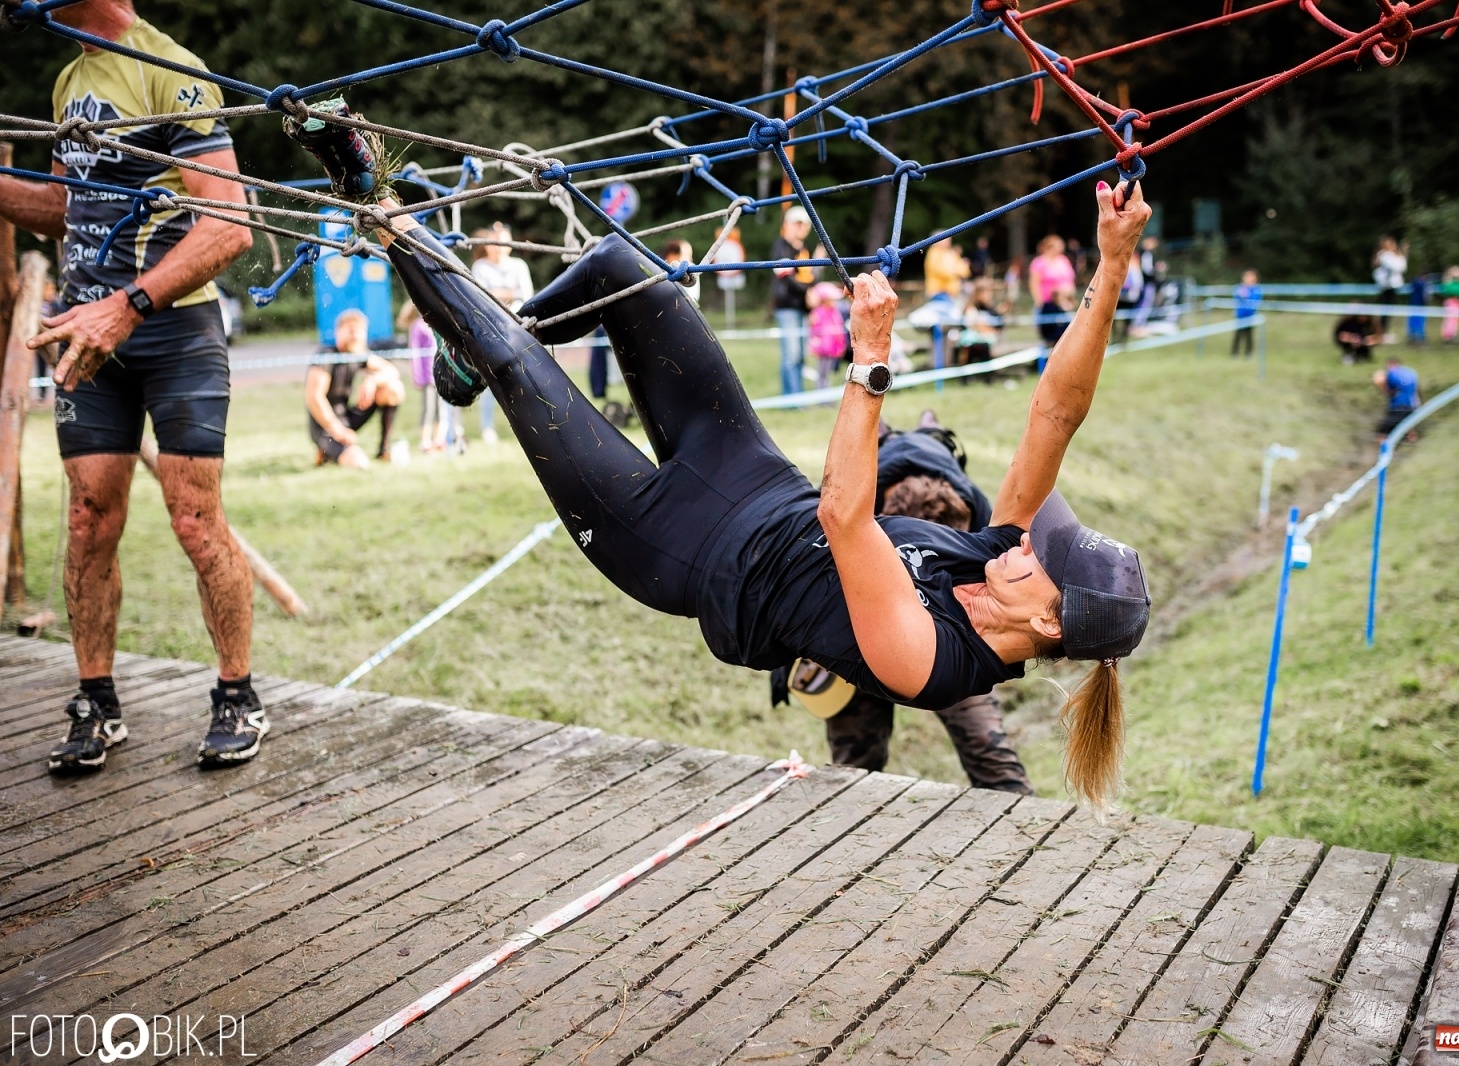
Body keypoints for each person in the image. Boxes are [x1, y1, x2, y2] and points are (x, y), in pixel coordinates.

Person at [298, 110, 1154, 804]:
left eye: (1048, 559)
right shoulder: (1004, 554)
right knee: (622, 268)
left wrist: (869, 360)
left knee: (519, 367)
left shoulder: (933, 662)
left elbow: (845, 517)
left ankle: (375, 198)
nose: (1032, 541)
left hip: (679, 550)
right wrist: (1112, 266)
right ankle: (468, 355)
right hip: (748, 473)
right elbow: (1055, 414)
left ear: (1049, 624)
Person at [0, 0, 264, 773]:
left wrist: (127, 307)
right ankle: (96, 702)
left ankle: (238, 694)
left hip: (174, 333)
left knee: (194, 520)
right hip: (90, 338)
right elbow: (62, 208)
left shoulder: (170, 69)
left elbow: (230, 224)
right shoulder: (68, 81)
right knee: (87, 519)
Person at [774, 414, 1031, 793]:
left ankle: (1019, 816)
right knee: (854, 764)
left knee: (988, 748)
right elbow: (799, 581)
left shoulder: (980, 518)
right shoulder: (846, 503)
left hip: (952, 633)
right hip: (860, 622)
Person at [306, 309, 405, 468]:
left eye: (360, 331)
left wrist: (372, 380)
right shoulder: (326, 355)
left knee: (393, 389)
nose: (356, 335)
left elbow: (392, 371)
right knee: (359, 463)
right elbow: (314, 397)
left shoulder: (357, 354)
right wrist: (337, 429)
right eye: (351, 330)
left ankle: (383, 450)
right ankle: (327, 450)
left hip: (347, 418)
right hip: (325, 425)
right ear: (338, 331)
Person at [468, 222, 533, 443]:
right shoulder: (480, 267)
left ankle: (526, 424)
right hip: (491, 330)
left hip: (518, 329)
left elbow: (526, 297)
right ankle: (487, 426)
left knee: (523, 377)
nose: (498, 248)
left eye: (502, 243)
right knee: (490, 378)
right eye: (494, 243)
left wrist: (499, 294)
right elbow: (481, 298)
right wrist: (510, 293)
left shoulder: (519, 266)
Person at [771, 205, 814, 394]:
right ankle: (792, 398)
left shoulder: (803, 249)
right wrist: (808, 293)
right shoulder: (780, 247)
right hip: (786, 307)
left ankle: (799, 396)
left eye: (804, 224)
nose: (801, 227)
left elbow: (808, 277)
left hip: (803, 307)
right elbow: (786, 277)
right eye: (797, 223)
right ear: (787, 224)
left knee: (801, 355)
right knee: (791, 355)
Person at [399, 301, 444, 454]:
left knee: (440, 409)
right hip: (427, 377)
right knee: (428, 408)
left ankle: (438, 439)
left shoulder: (436, 324)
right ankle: (425, 441)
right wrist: (417, 376)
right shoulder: (417, 326)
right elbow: (415, 354)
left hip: (439, 375)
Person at [956, 278, 1005, 375]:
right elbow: (976, 325)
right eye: (987, 292)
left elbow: (998, 325)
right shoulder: (970, 308)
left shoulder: (989, 308)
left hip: (985, 339)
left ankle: (987, 376)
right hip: (970, 340)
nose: (989, 295)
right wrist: (988, 330)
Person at [807, 281, 849, 386]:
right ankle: (822, 391)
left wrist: (841, 345)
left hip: (832, 348)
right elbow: (814, 330)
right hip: (822, 348)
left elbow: (839, 330)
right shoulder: (817, 313)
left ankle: (825, 390)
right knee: (822, 371)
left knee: (827, 371)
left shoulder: (835, 313)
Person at [1374, 354, 1422, 443]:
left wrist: (1381, 385)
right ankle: (1413, 443)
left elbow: (1391, 392)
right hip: (1413, 405)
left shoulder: (1392, 374)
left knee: (1383, 432)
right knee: (1408, 427)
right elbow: (1416, 389)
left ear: (1391, 365)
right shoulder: (1412, 372)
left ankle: (1381, 447)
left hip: (1398, 406)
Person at [1372, 236, 1407, 341]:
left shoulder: (1391, 256)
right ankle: (1381, 333)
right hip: (1387, 286)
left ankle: (1382, 332)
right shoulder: (1384, 255)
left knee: (1388, 310)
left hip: (1392, 286)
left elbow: (1402, 267)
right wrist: (1401, 256)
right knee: (1385, 310)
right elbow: (1398, 267)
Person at [712, 224, 746, 330]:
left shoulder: (734, 247)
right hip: (725, 275)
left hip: (732, 275)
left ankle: (733, 323)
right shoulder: (725, 248)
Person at [1232, 269, 1262, 357]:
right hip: (1240, 315)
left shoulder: (1256, 289)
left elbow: (1257, 300)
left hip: (1250, 316)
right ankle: (1234, 353)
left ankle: (1248, 353)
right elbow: (1237, 296)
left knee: (1249, 335)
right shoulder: (1240, 288)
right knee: (1238, 335)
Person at [662, 239, 701, 306]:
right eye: (686, 255)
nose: (691, 259)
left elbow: (692, 297)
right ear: (672, 255)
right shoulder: (658, 272)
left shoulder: (691, 268)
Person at [1438, 265, 1459, 344]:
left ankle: (1453, 335)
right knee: (1450, 320)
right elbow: (1449, 291)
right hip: (1452, 302)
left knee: (1455, 320)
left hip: (1456, 302)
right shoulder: (1449, 282)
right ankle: (1448, 336)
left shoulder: (1457, 283)